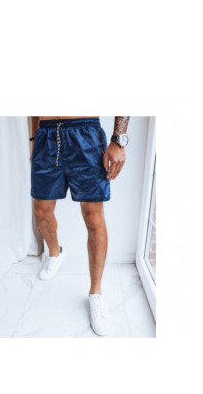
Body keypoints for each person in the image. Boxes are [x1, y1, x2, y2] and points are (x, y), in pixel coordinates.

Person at [28, 116, 130, 336]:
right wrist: (33, 139)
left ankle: (96, 293)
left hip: (84, 133)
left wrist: (119, 139)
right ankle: (55, 253)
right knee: (41, 210)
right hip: (45, 134)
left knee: (93, 217)